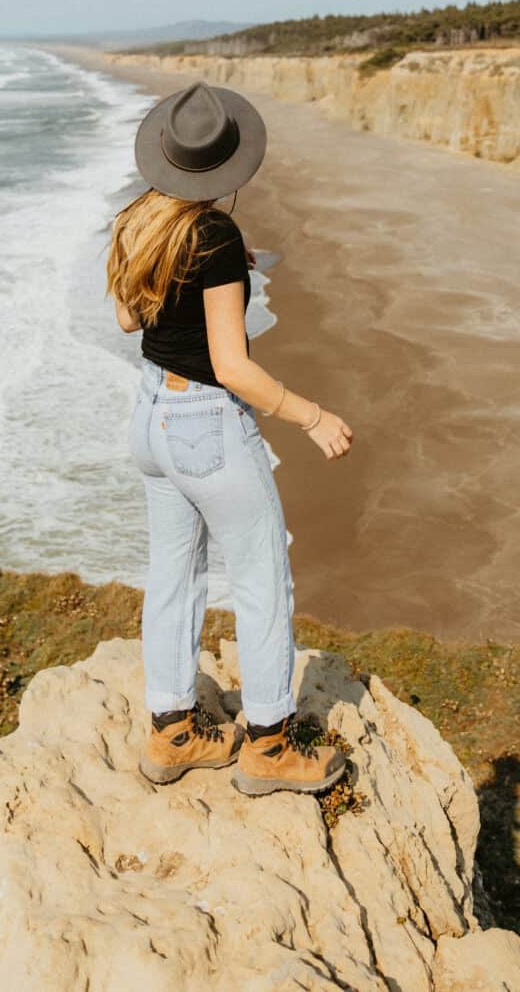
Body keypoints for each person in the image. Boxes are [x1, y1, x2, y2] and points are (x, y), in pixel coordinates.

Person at [105, 80, 354, 796]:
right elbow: (230, 365)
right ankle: (269, 747)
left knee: (173, 575)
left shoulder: (140, 220)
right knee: (261, 576)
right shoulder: (213, 237)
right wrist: (311, 416)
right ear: (227, 168)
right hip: (205, 427)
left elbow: (130, 321)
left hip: (151, 420)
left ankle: (174, 731)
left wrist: (219, 282)